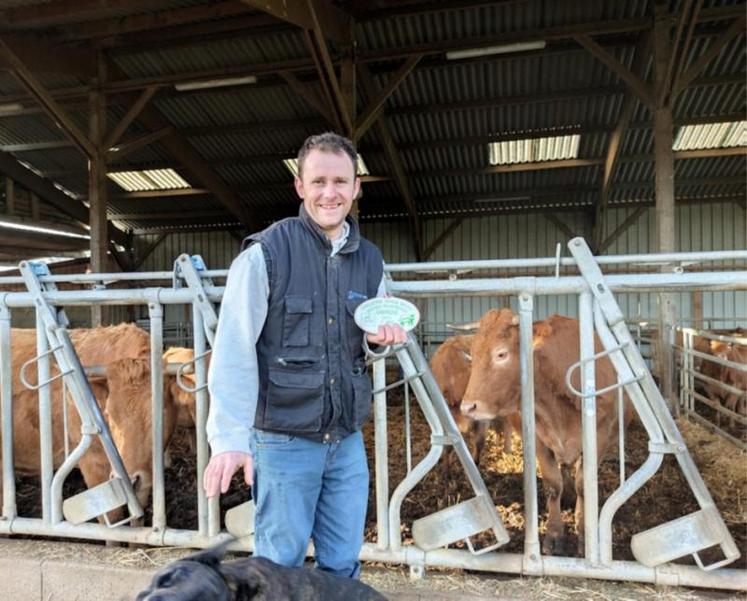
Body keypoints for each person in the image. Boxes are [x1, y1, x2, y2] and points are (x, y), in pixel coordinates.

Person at [203, 132, 406, 579]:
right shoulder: (266, 255)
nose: (329, 193)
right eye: (318, 182)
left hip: (347, 441)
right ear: (299, 186)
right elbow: (234, 347)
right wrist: (229, 438)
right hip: (283, 442)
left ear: (356, 187)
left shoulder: (370, 261)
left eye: (340, 181)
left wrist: (378, 343)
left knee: (342, 565)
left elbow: (365, 345)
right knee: (279, 568)